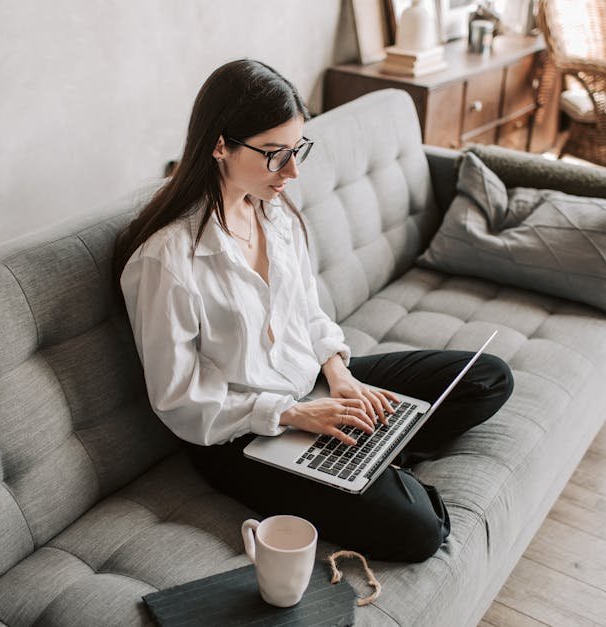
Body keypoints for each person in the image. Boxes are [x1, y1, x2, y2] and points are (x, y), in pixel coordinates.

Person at [113, 59, 513, 563]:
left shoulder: (272, 211)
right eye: (277, 154)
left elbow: (308, 312)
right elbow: (179, 400)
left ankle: (366, 452)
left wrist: (340, 375)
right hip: (242, 434)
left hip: (313, 387)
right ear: (220, 145)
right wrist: (294, 415)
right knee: (420, 532)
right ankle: (370, 459)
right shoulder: (166, 260)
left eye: (297, 149)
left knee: (488, 378)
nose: (294, 171)